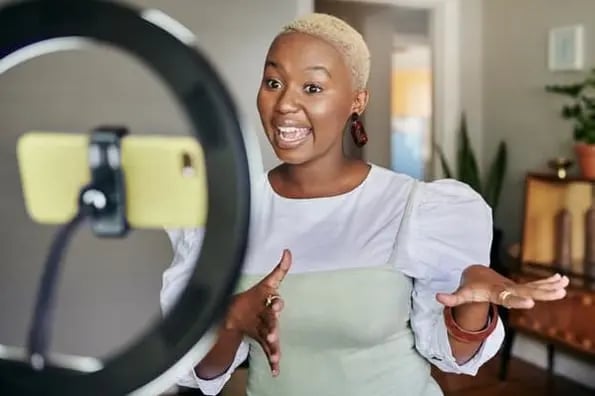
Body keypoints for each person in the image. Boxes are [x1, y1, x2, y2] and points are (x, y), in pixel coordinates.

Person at [160, 13, 569, 396]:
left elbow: (455, 357)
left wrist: (473, 301)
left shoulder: (413, 208)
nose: (285, 103)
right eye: (273, 82)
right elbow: (204, 374)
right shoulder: (231, 212)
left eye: (313, 88)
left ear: (357, 100)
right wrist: (231, 319)